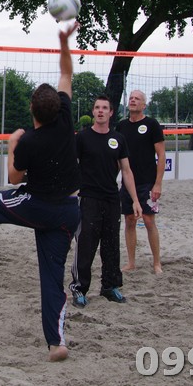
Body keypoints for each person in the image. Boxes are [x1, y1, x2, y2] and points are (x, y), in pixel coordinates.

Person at [0, 22, 81, 362]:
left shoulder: (29, 142)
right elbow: (67, 72)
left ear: (32, 111)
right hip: (70, 211)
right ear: (57, 108)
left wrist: (11, 145)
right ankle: (57, 343)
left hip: (40, 205)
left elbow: (13, 177)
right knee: (51, 279)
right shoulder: (66, 120)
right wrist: (65, 42)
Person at [69, 95, 141, 306]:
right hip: (88, 199)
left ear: (111, 113)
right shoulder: (82, 137)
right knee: (86, 245)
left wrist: (135, 200)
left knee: (111, 245)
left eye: (104, 108)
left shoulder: (118, 139)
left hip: (111, 199)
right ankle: (79, 289)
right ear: (93, 112)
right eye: (97, 107)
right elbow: (71, 167)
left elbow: (126, 171)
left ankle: (110, 287)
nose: (100, 111)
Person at [117, 89, 166, 274]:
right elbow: (117, 158)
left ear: (144, 105)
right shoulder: (121, 126)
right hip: (128, 183)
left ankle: (156, 263)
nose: (133, 100)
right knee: (129, 220)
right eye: (131, 98)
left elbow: (161, 155)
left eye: (137, 99)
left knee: (148, 220)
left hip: (147, 182)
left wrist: (158, 183)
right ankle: (131, 262)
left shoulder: (152, 124)